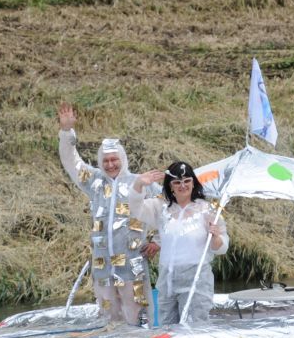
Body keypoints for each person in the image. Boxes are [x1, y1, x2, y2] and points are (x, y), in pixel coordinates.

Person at [58, 104, 160, 326]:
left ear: (122, 159)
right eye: (106, 160)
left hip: (132, 266)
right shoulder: (94, 182)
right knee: (108, 318)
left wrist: (157, 241)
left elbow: (167, 210)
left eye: (114, 159)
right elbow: (72, 162)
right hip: (103, 268)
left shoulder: (140, 183)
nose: (110, 164)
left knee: (138, 316)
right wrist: (67, 133)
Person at [130, 162, 228, 325]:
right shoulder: (160, 208)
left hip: (197, 281)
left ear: (193, 182)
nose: (183, 186)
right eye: (177, 182)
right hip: (167, 280)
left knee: (194, 329)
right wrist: (139, 184)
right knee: (167, 329)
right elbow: (135, 208)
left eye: (187, 181)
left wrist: (216, 237)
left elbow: (221, 248)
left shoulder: (208, 210)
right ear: (170, 186)